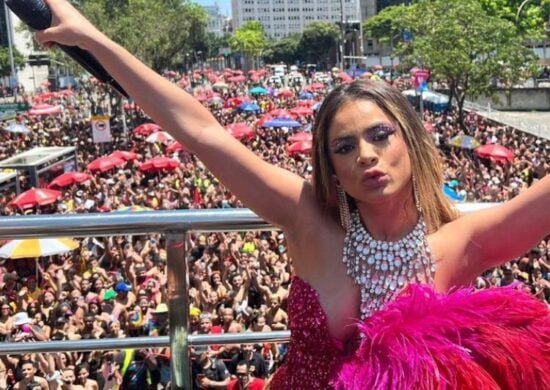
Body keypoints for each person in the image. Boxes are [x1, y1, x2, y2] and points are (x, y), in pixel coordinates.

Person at [37, 2, 550, 388]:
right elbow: (201, 130)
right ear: (331, 168)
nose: (366, 156)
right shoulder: (307, 217)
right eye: (344, 147)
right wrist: (92, 38)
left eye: (380, 135)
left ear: (410, 140)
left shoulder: (465, 242)